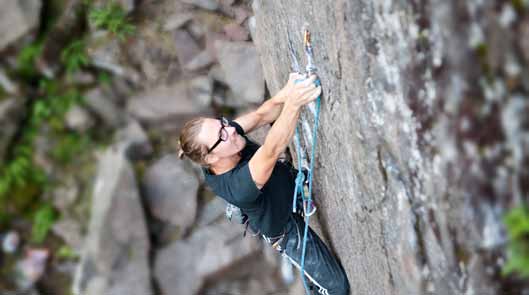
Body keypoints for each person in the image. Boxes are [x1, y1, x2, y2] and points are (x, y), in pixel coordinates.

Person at [178, 73, 350, 295]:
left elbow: (260, 115)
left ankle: (299, 194)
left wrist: (286, 93)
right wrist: (294, 103)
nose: (230, 129)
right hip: (284, 227)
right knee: (337, 288)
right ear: (210, 158)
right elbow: (271, 150)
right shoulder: (237, 187)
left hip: (285, 185)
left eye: (222, 123)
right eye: (222, 133)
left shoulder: (223, 140)